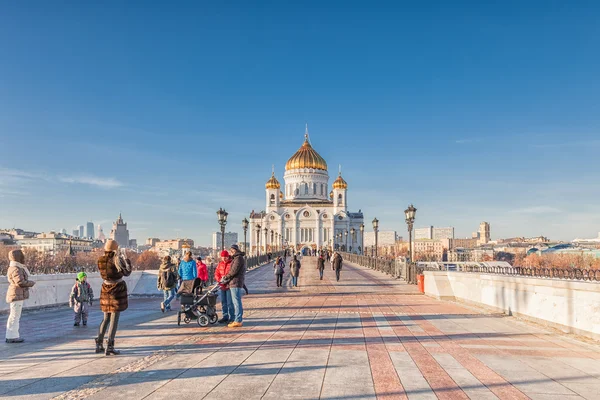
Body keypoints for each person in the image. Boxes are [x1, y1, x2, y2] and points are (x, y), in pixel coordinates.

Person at [96, 240, 132, 355]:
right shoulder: (117, 260)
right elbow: (127, 272)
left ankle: (99, 343)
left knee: (106, 318)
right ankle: (110, 346)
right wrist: (126, 259)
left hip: (105, 289)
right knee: (114, 320)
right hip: (117, 290)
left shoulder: (100, 260)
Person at [5, 249, 35, 343]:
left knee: (14, 316)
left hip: (16, 293)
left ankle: (13, 335)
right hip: (16, 294)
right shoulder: (16, 268)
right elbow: (20, 282)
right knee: (14, 316)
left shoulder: (15, 267)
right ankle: (11, 336)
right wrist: (31, 283)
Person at [222, 244, 246, 328]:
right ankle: (238, 319)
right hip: (235, 282)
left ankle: (238, 320)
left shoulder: (238, 258)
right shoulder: (237, 258)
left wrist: (226, 277)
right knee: (236, 301)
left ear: (234, 250)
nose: (230, 253)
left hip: (235, 282)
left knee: (236, 302)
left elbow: (234, 271)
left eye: (231, 251)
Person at [214, 250, 234, 323]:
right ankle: (225, 316)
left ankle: (232, 317)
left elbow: (233, 273)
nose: (224, 259)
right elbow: (216, 273)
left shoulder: (231, 263)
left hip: (229, 285)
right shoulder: (220, 264)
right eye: (222, 257)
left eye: (225, 257)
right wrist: (219, 280)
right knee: (223, 302)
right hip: (222, 285)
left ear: (228, 257)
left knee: (229, 302)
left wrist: (227, 280)